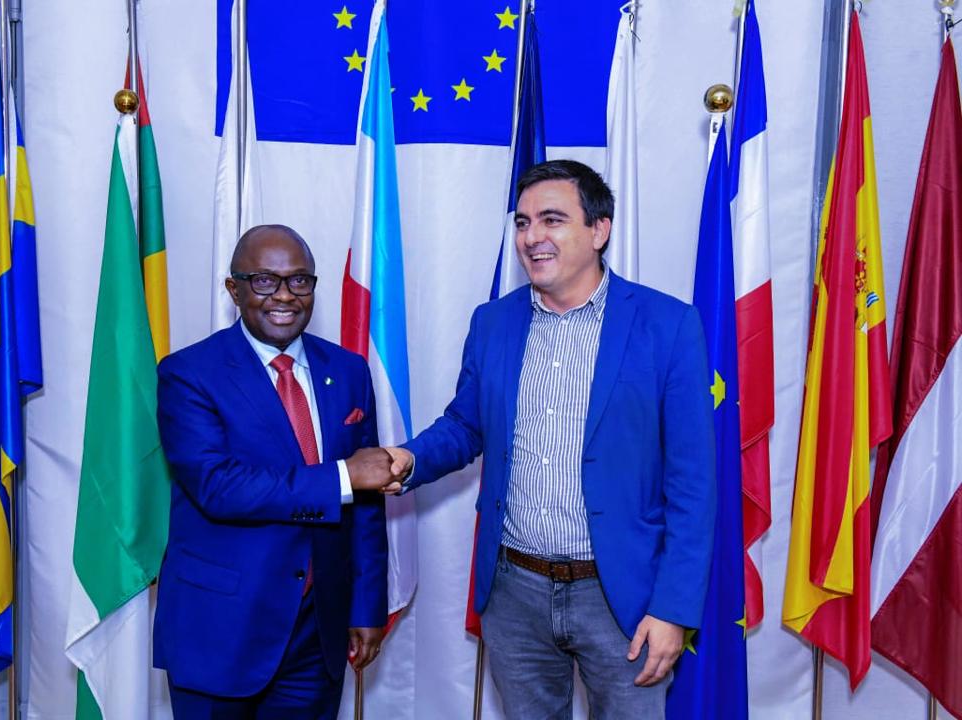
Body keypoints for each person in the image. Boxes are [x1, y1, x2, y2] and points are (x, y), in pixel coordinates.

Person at [381, 160, 716, 718]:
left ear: (599, 230)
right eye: (523, 222)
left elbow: (693, 484)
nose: (532, 236)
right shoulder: (492, 322)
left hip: (624, 598)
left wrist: (674, 609)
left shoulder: (667, 325)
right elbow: (466, 425)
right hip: (515, 594)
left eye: (552, 220)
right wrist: (406, 459)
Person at [153, 224, 395, 718]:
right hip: (221, 629)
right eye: (264, 280)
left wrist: (367, 605)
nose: (284, 296)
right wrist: (342, 477)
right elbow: (218, 486)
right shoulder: (188, 373)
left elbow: (367, 504)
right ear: (234, 289)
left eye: (299, 280)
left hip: (317, 632)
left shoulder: (348, 370)